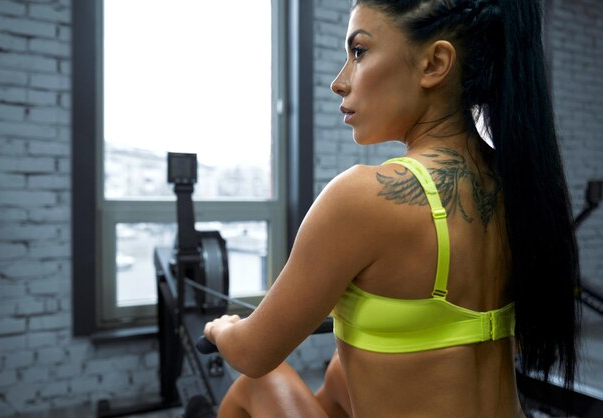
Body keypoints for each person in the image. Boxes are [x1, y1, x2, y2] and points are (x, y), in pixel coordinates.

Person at [203, 0, 580, 416]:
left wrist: (224, 329)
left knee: (261, 382)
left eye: (359, 52)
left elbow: (254, 352)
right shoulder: (519, 185)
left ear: (434, 63)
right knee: (338, 376)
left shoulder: (364, 197)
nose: (339, 82)